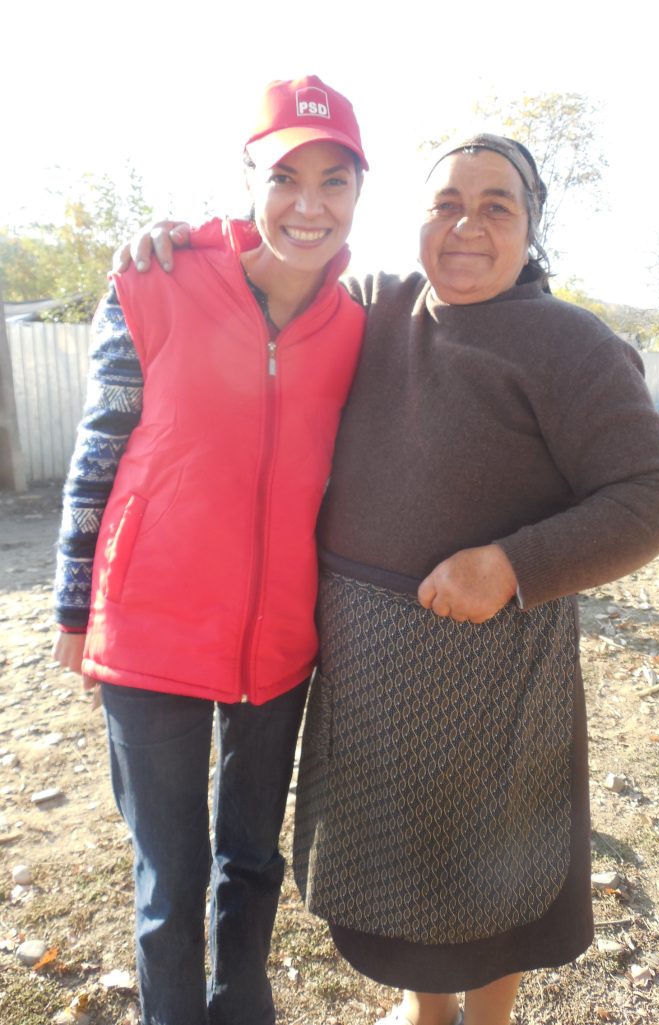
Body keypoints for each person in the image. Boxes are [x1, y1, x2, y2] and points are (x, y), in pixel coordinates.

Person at [125, 133, 659, 1025]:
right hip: (367, 667)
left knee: (495, 855)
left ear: (531, 227)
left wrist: (511, 565)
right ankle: (428, 1009)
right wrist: (187, 242)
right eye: (445, 204)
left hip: (493, 660)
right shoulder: (373, 306)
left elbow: (653, 496)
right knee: (403, 860)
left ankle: (488, 1017)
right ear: (417, 219)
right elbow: (273, 274)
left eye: (495, 206)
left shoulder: (571, 344)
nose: (467, 226)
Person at [52, 75, 368, 1025]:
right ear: (248, 180)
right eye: (284, 177)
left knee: (252, 858)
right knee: (171, 875)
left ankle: (241, 1006)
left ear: (360, 190)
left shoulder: (358, 325)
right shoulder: (153, 282)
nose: (308, 204)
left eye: (334, 180)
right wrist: (74, 608)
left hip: (277, 644)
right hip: (150, 629)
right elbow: (98, 450)